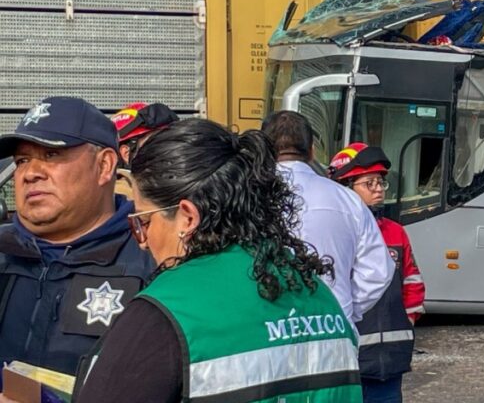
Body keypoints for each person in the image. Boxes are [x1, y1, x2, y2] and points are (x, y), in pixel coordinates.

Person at [73, 119, 362, 402]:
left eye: (143, 222)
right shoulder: (317, 294)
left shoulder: (169, 311)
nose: (143, 241)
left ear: (187, 217)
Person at [0, 97, 153, 376]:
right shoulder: (4, 253)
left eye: (51, 155)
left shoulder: (154, 258)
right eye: (22, 160)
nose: (29, 174)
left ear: (105, 165)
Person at [262, 110, 392, 323]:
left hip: (269, 328)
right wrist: (345, 309)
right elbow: (378, 272)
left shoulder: (248, 197)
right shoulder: (348, 200)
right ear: (312, 151)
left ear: (263, 150)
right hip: (333, 328)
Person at [329, 143, 426, 403]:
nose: (378, 190)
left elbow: (413, 282)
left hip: (390, 361)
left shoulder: (396, 231)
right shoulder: (335, 234)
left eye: (381, 183)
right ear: (344, 188)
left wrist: (406, 320)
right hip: (349, 361)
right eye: (369, 183)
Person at [110, 102, 179, 197]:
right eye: (154, 144)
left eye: (168, 142)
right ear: (126, 153)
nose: (166, 150)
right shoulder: (123, 197)